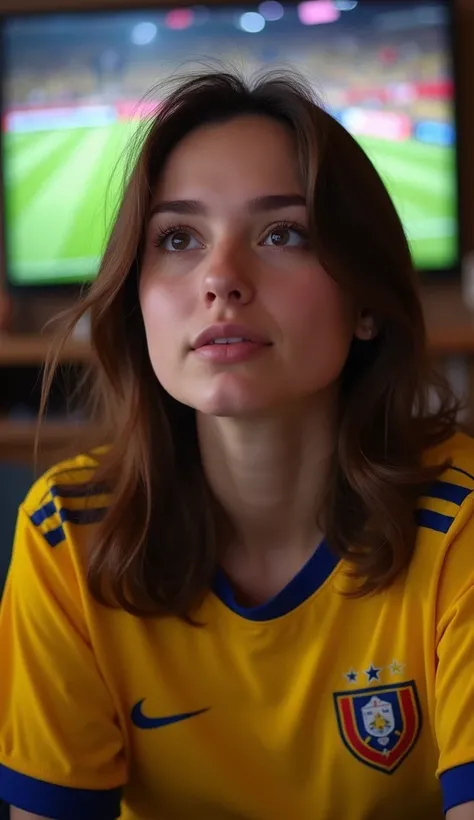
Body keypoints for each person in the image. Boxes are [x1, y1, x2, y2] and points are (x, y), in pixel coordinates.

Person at [0, 68, 473, 820]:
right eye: (178, 238)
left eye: (282, 233)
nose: (221, 277)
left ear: (365, 305)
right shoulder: (66, 534)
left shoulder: (462, 524)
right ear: (137, 297)